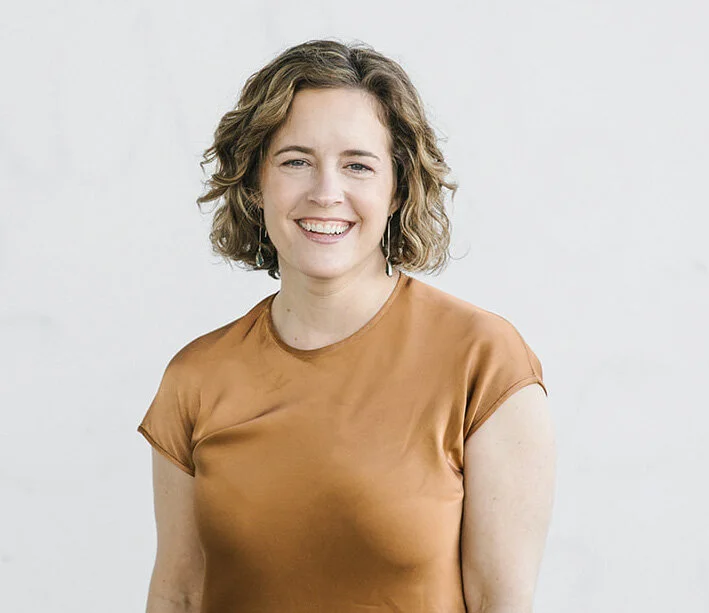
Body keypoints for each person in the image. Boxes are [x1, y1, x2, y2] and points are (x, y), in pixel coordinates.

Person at [137, 38, 556, 613]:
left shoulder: (483, 362)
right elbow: (179, 596)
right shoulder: (195, 378)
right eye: (296, 161)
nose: (326, 193)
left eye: (357, 165)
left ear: (397, 188)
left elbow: (499, 603)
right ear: (256, 185)